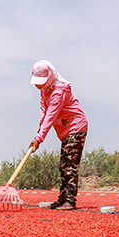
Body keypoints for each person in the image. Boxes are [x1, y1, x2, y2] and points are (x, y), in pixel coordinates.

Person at [29, 60, 88, 210]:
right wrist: (39, 132)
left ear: (50, 77)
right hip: (66, 130)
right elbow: (43, 110)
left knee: (70, 165)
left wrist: (39, 138)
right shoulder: (45, 90)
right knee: (63, 166)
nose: (39, 86)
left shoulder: (59, 91)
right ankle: (62, 200)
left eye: (41, 82)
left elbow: (51, 115)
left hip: (76, 126)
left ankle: (70, 201)